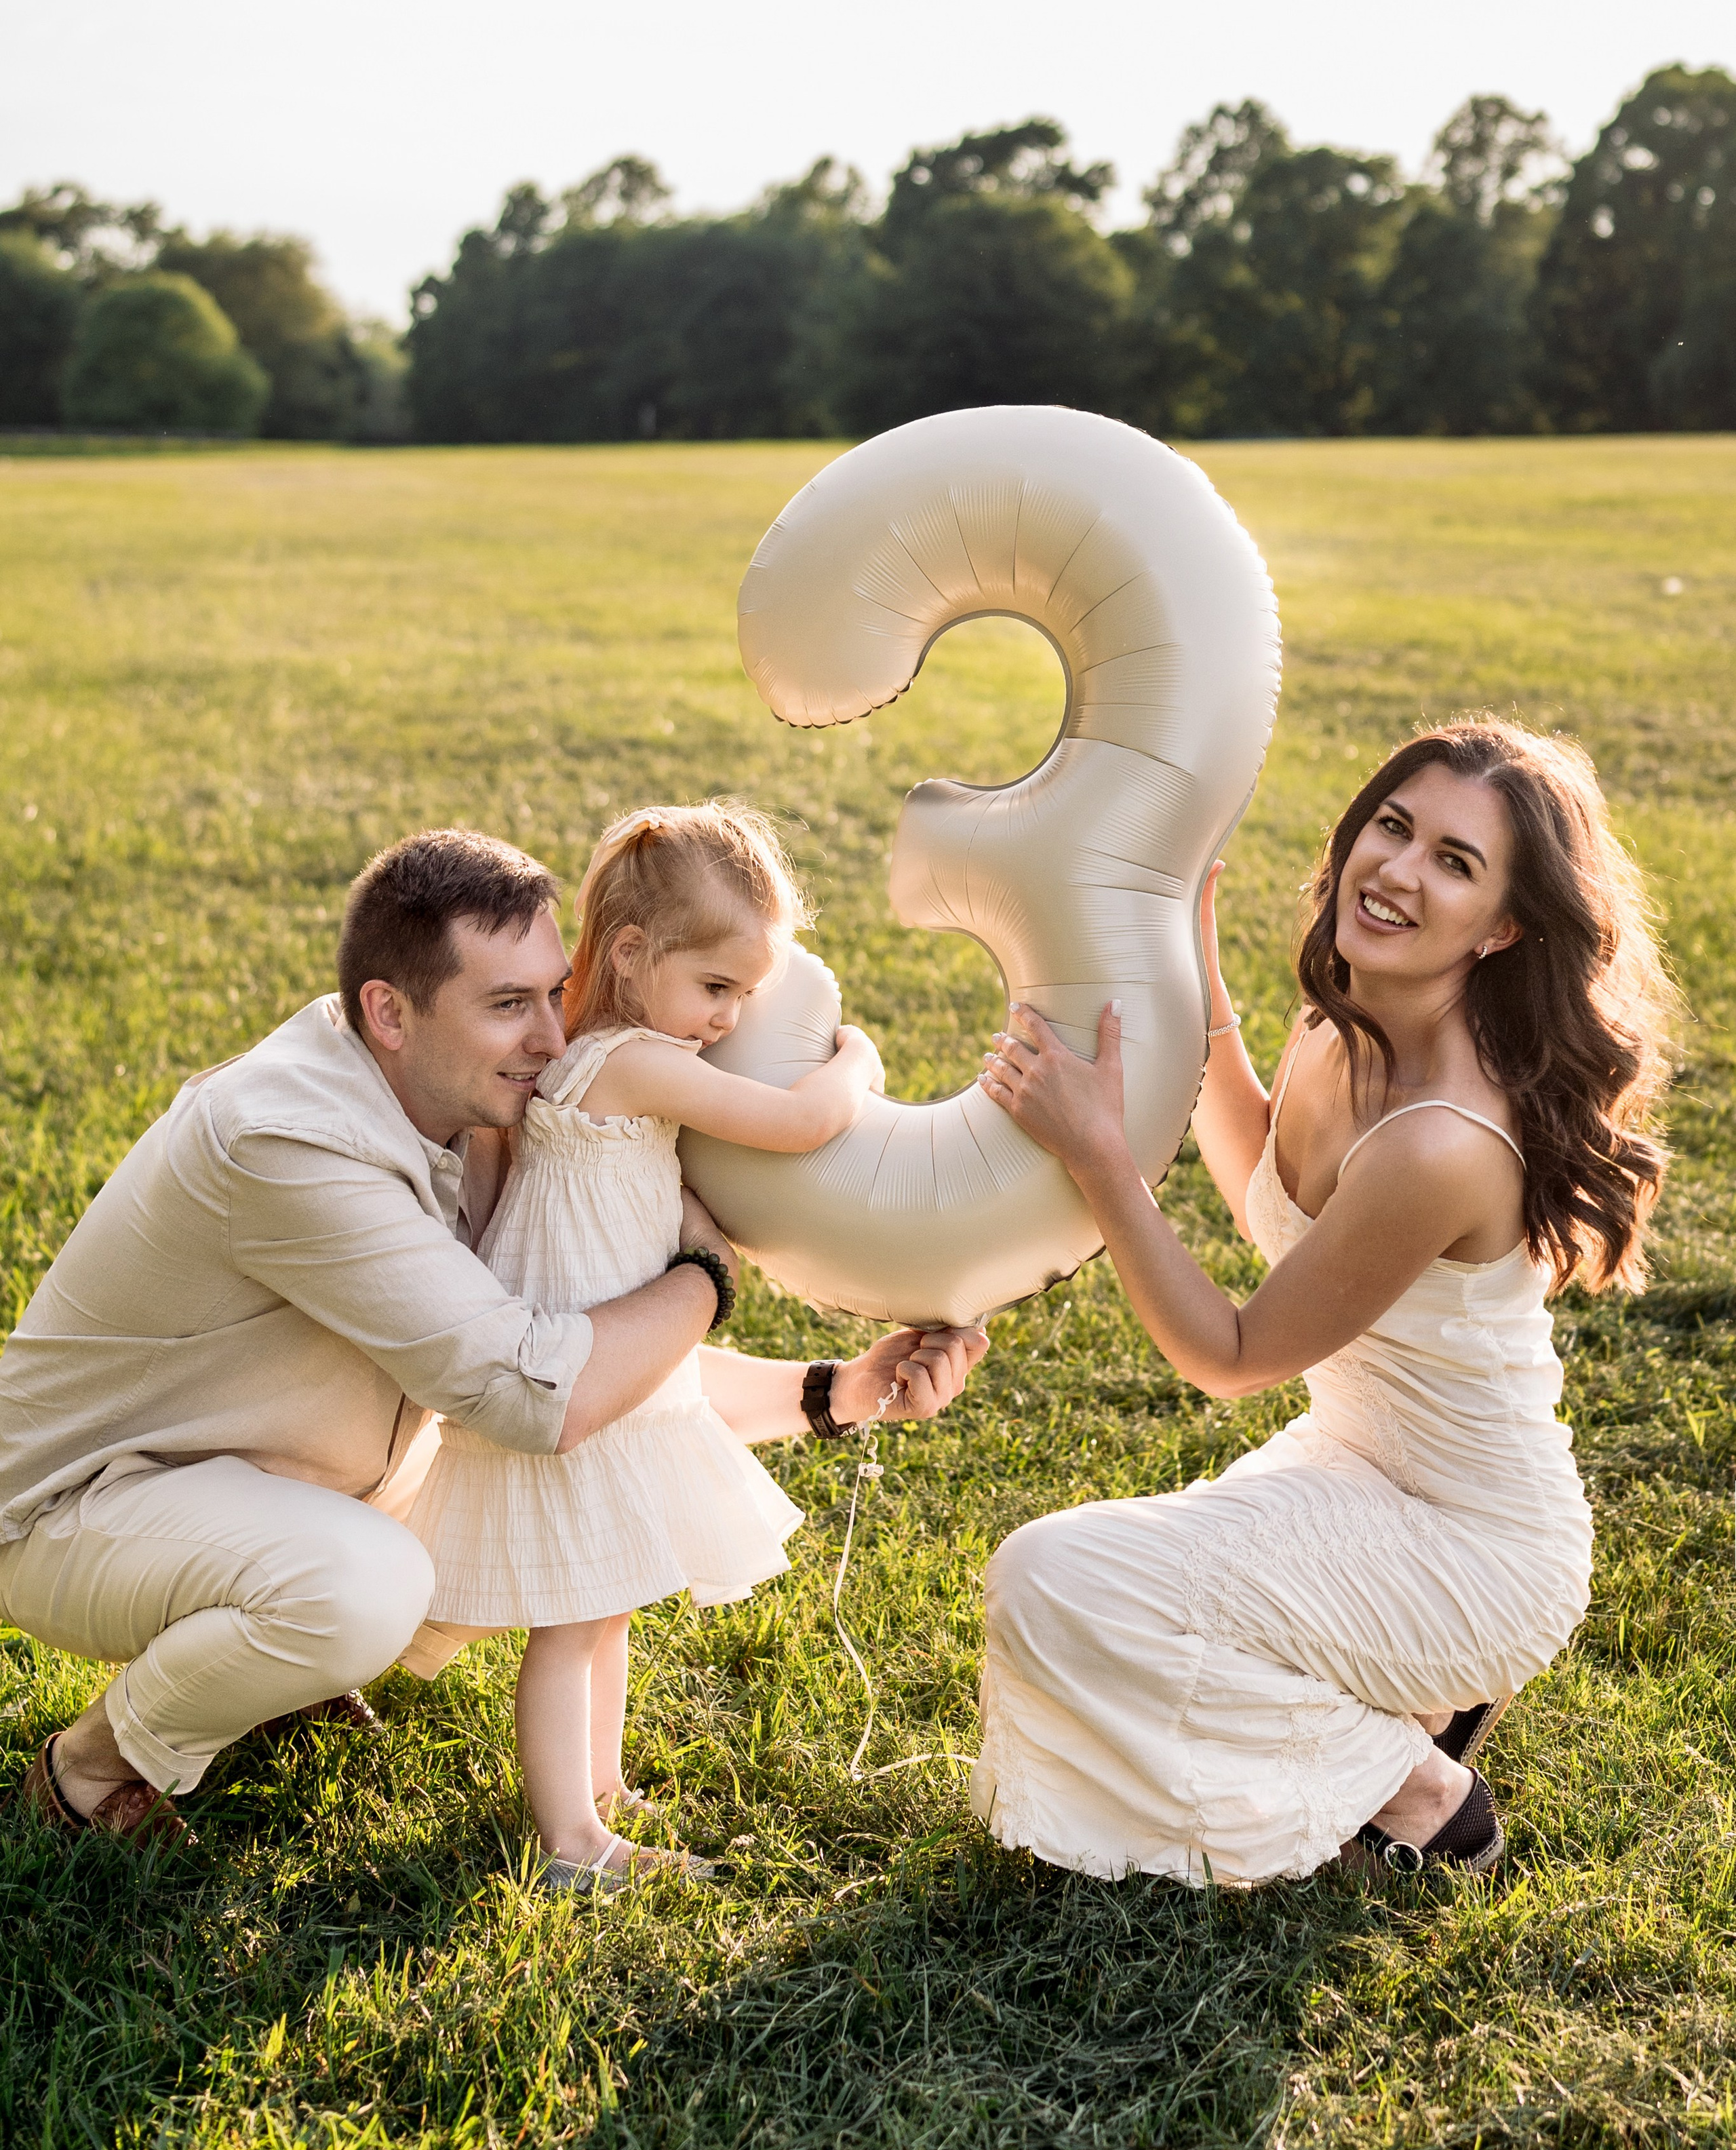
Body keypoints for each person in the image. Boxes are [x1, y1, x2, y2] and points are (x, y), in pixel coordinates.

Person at [1, 826, 985, 1848]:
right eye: (506, 1006)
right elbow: (540, 1397)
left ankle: (273, 1656)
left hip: (267, 1477)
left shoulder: (473, 1103)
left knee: (507, 1523)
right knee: (371, 1586)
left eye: (554, 993)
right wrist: (704, 1276)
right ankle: (90, 1770)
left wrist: (840, 1389)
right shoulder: (289, 1142)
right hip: (80, 1509)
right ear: (387, 1011)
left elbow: (602, 1380)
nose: (554, 1039)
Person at [970, 720, 1676, 1883]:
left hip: (1476, 1546)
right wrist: (1185, 941)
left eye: (1454, 861)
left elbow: (1232, 1355)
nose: (1397, 871)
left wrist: (1101, 1158)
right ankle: (1399, 1722)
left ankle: (1422, 1788)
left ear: (1505, 927)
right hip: (1356, 1470)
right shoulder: (1344, 1023)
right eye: (1392, 828)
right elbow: (1264, 1183)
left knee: (1057, 1580)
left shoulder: (1444, 1141)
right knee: (1105, 1604)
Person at [406, 802, 886, 1887]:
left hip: (606, 1350)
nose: (725, 1021)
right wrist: (855, 1060)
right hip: (578, 1357)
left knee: (606, 1591)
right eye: (715, 989)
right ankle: (571, 1841)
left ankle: (605, 1790)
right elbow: (800, 1125)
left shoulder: (602, 1048)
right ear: (630, 954)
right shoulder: (628, 1060)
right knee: (571, 1616)